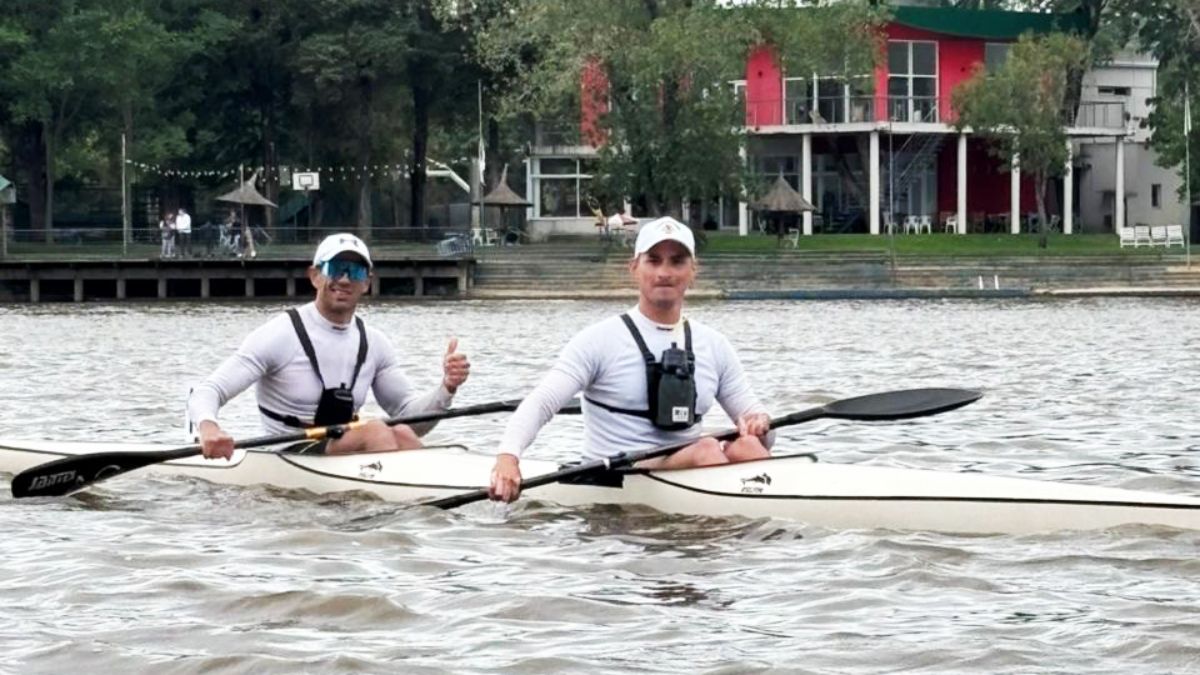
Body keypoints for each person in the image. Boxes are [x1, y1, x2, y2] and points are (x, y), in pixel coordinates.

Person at [488, 216, 771, 502]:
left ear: (693, 271)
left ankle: (749, 531)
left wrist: (760, 424)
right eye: (654, 260)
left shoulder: (714, 345)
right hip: (615, 476)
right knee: (708, 449)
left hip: (693, 467)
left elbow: (764, 434)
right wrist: (508, 458)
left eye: (677, 261)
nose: (665, 272)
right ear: (634, 268)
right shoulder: (599, 340)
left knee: (748, 446)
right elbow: (541, 403)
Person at [188, 233, 471, 459]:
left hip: (342, 446)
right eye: (335, 268)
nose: (345, 279)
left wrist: (446, 388)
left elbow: (414, 423)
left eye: (356, 272)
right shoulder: (280, 334)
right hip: (287, 453)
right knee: (375, 431)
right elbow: (208, 391)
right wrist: (208, 427)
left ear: (367, 283)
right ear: (315, 276)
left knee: (403, 435)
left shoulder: (375, 343)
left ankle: (420, 514)